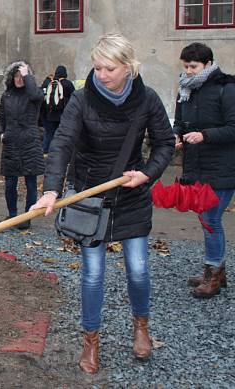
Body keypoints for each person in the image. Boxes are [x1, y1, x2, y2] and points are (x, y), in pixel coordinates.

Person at [30, 33, 174, 374]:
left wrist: (148, 174)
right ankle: (90, 340)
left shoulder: (148, 99)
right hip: (89, 198)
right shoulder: (81, 99)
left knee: (138, 269)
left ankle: (141, 327)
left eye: (109, 68)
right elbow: (62, 143)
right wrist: (51, 190)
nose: (102, 74)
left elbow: (165, 143)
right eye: (97, 67)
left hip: (131, 194)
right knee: (93, 275)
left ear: (128, 67)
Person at [173, 42, 235, 299]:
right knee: (205, 218)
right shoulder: (185, 89)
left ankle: (215, 274)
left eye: (193, 66)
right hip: (197, 166)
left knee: (211, 219)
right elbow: (179, 121)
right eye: (185, 66)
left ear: (208, 64)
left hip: (223, 167)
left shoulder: (227, 89)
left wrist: (204, 135)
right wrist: (177, 135)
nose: (188, 71)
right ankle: (213, 269)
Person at [0, 61, 43, 230]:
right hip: (11, 142)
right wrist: (1, 133)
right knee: (10, 183)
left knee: (30, 183)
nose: (19, 80)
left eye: (22, 77)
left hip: (29, 142)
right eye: (16, 76)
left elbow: (36, 96)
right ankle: (12, 215)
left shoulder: (33, 95)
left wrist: (27, 75)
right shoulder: (6, 96)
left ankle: (27, 217)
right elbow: (1, 117)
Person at [41, 65, 75, 154]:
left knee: (49, 134)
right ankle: (60, 153)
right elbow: (74, 98)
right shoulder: (68, 84)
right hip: (62, 115)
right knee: (62, 136)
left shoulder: (48, 82)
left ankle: (45, 152)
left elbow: (41, 94)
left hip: (50, 114)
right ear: (65, 73)